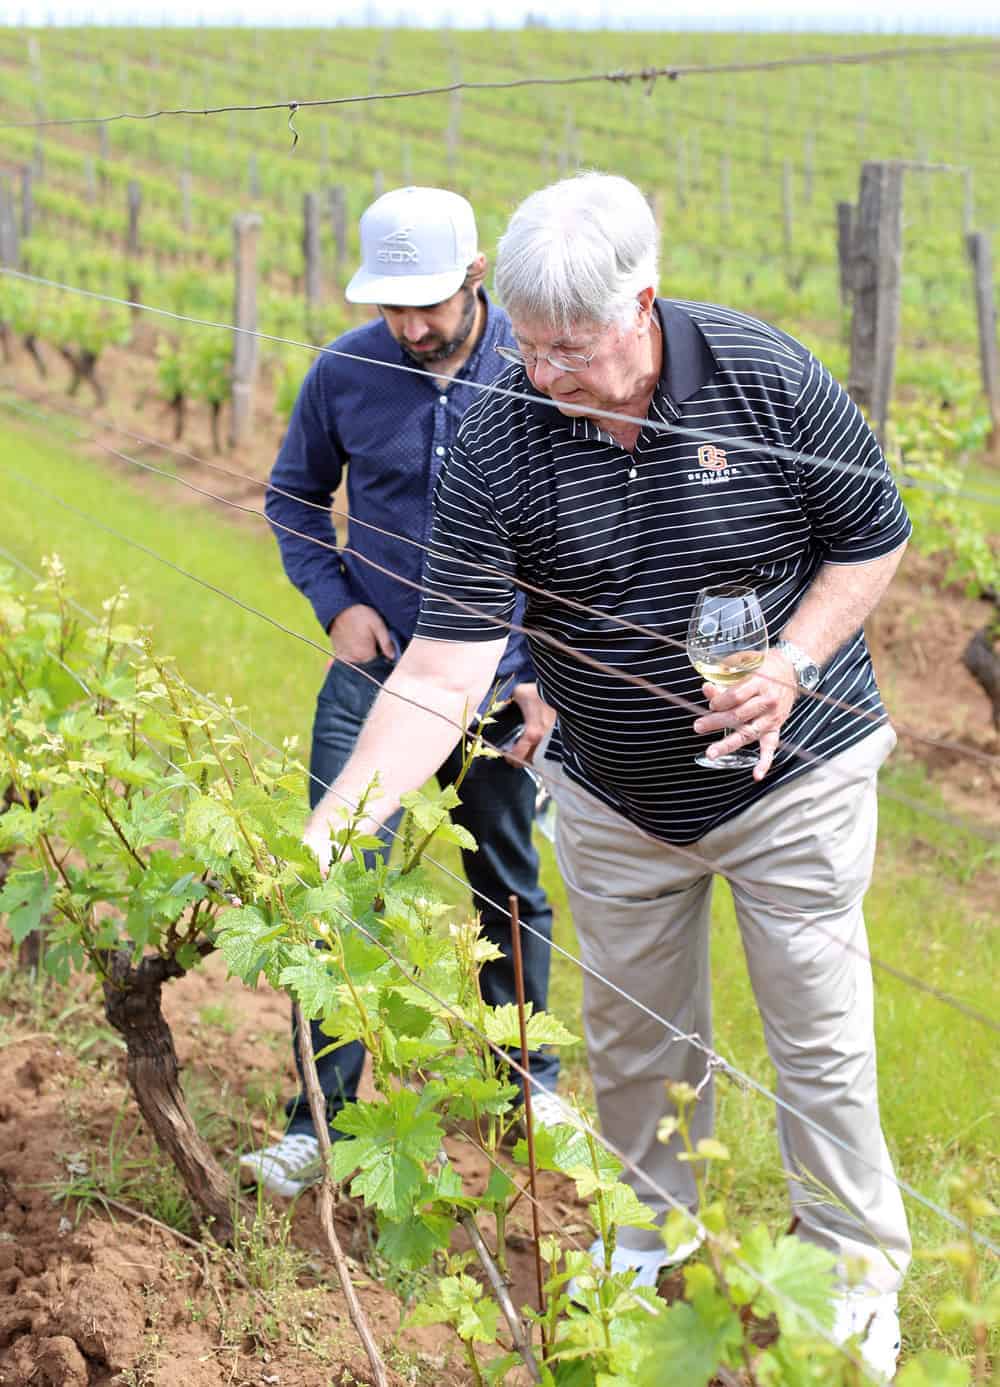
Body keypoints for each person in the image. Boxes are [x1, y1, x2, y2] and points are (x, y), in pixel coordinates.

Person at [300, 171, 913, 1379]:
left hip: (795, 777)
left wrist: (790, 660)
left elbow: (873, 536)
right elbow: (447, 661)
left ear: (644, 301)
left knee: (819, 1041)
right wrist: (340, 820)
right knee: (634, 1046)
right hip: (617, 797)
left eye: (570, 346)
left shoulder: (764, 376)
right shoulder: (500, 434)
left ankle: (849, 1282)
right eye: (525, 345)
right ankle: (644, 1245)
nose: (542, 372)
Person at [241, 186, 561, 1199]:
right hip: (375, 671)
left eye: (429, 303)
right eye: (394, 307)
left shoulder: (541, 372)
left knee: (505, 881)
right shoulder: (345, 369)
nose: (412, 327)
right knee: (338, 881)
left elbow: (586, 532)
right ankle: (315, 1122)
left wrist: (550, 670)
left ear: (477, 276)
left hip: (505, 679)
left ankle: (527, 1091)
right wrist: (334, 602)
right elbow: (294, 495)